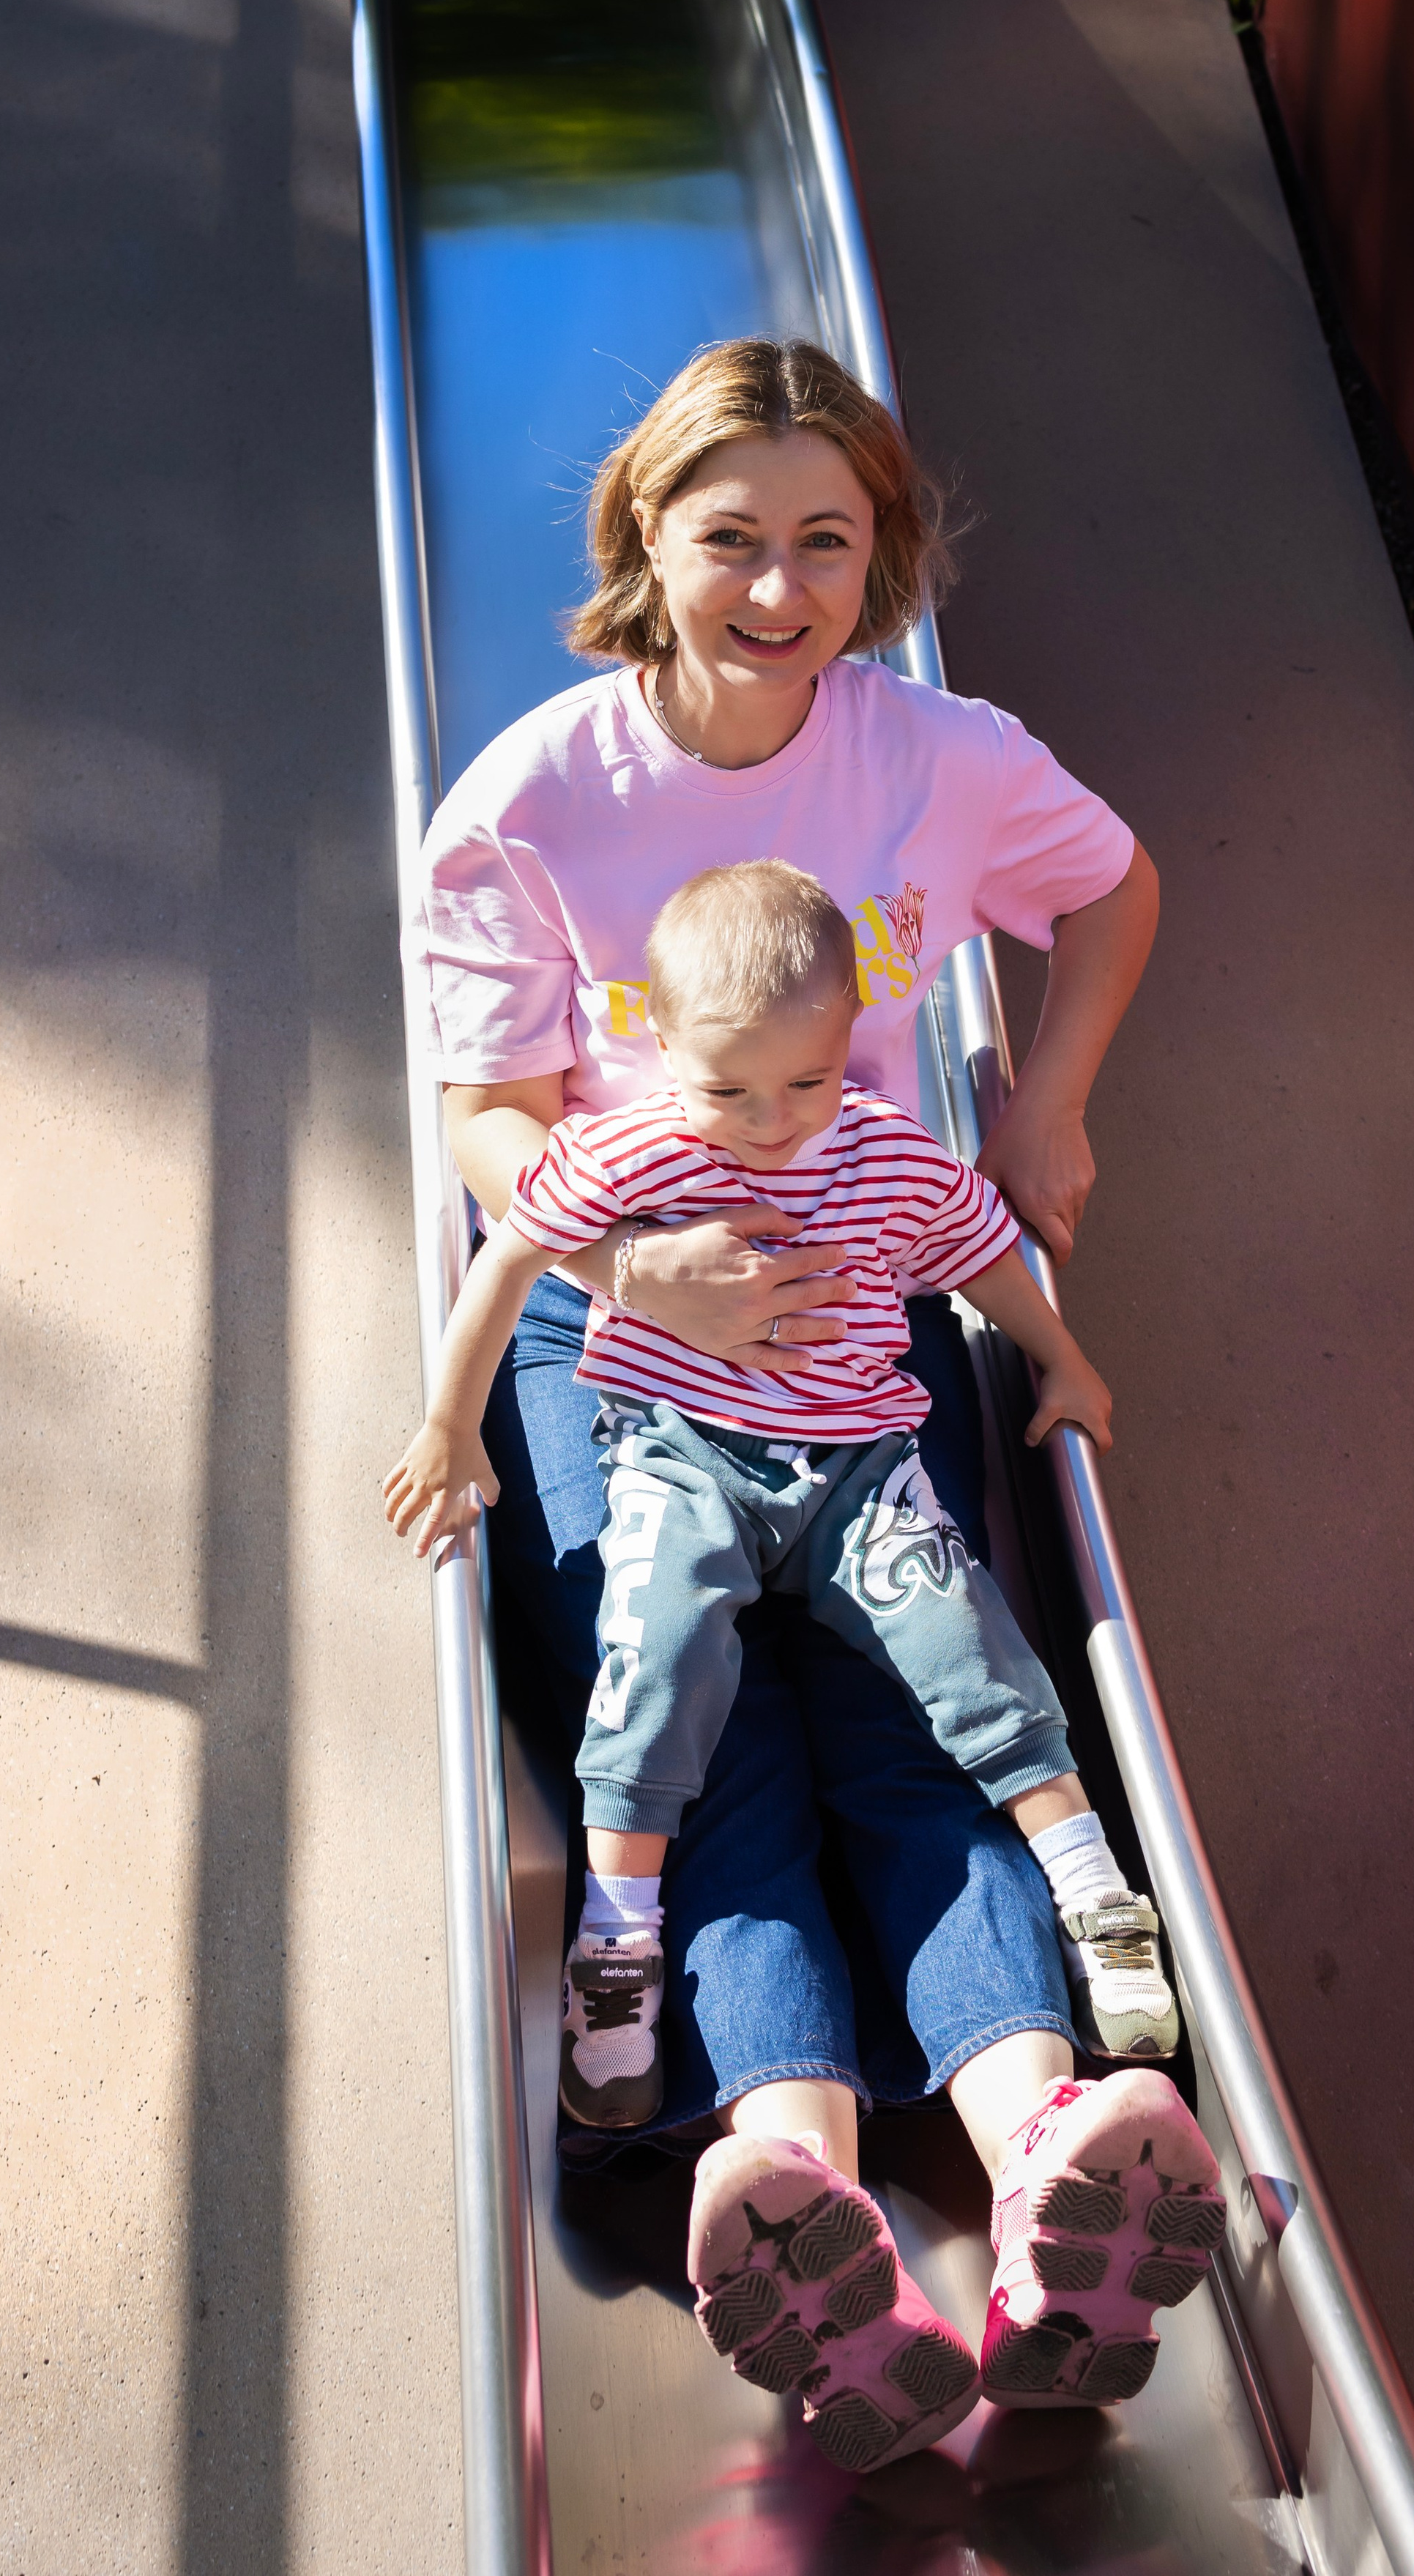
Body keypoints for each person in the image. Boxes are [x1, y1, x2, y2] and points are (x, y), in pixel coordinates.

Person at [408, 335, 1221, 2472]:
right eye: (731, 539)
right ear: (644, 545)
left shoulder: (932, 756)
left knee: (917, 1705)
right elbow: (493, 1113)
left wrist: (1046, 1107)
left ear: (885, 553)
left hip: (862, 1324)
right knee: (705, 1736)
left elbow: (1117, 885)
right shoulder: (529, 800)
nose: (779, 587)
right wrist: (617, 1261)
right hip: (629, 1331)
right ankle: (785, 2161)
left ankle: (1047, 2145)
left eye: (828, 544)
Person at [386, 858, 1181, 2130]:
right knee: (652, 1655)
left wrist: (1062, 1356)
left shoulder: (879, 1149)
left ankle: (1094, 1891)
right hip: (680, 1460)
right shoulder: (622, 1150)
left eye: (806, 1080)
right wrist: (448, 1425)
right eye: (729, 1089)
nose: (770, 1119)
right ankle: (621, 1938)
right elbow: (507, 1264)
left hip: (856, 1467)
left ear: (851, 1037)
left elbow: (981, 1258)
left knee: (967, 1647)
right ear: (658, 1041)